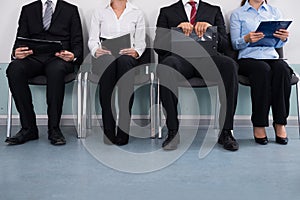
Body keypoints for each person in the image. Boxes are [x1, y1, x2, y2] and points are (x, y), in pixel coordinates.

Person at [154, 0, 239, 151]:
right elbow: (158, 47)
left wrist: (210, 29)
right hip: (180, 61)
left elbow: (225, 45)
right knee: (166, 67)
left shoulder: (213, 10)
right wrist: (176, 31)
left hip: (208, 60)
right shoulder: (167, 11)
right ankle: (173, 131)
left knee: (229, 65)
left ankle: (226, 132)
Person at [6, 0, 83, 145]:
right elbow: (19, 40)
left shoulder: (70, 9)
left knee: (56, 71)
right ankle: (29, 128)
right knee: (14, 69)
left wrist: (73, 56)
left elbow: (78, 43)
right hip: (33, 57)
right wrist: (16, 53)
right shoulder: (27, 9)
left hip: (59, 58)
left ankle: (54, 129)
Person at [230, 0, 290, 145]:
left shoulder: (274, 12)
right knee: (262, 70)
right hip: (248, 59)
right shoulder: (238, 14)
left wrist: (283, 38)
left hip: (270, 56)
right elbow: (234, 44)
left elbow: (279, 44)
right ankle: (259, 124)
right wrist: (246, 38)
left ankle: (280, 123)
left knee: (282, 69)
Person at [88, 0, 146, 145]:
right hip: (104, 58)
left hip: (127, 59)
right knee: (108, 62)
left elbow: (140, 42)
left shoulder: (137, 12)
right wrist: (96, 50)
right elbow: (92, 40)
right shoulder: (99, 12)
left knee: (124, 61)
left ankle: (123, 130)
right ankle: (108, 129)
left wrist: (136, 51)